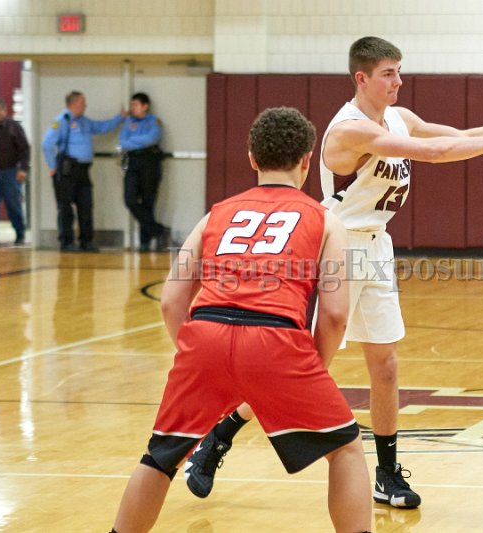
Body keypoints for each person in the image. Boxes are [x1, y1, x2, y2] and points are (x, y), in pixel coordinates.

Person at [186, 36, 483, 509]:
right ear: (361, 78)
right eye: (389, 73)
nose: (398, 81)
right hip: (337, 246)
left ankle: (387, 474)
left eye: (400, 71)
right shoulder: (348, 130)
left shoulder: (400, 117)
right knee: (310, 365)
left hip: (376, 247)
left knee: (385, 365)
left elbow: (458, 134)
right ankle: (218, 436)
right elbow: (435, 153)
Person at [110, 107, 371, 533]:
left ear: (252, 158)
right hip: (276, 340)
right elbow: (336, 314)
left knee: (159, 457)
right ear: (307, 159)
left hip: (206, 335)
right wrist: (314, 368)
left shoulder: (216, 214)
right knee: (345, 448)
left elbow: (171, 301)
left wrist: (199, 358)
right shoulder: (326, 220)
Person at [41, 91, 125, 252]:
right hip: (67, 170)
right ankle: (66, 242)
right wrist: (53, 166)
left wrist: (119, 118)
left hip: (83, 170)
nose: (85, 106)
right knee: (65, 208)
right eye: (82, 102)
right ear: (73, 104)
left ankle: (86, 241)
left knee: (86, 205)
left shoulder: (84, 121)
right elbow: (47, 144)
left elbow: (101, 127)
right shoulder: (62, 121)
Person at [119, 92, 170, 252]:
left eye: (135, 105)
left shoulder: (154, 122)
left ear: (145, 106)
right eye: (132, 105)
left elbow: (152, 139)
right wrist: (138, 142)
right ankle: (159, 230)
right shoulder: (129, 122)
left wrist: (133, 140)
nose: (132, 108)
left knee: (148, 202)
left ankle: (144, 242)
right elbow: (123, 141)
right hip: (133, 162)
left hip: (150, 162)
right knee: (130, 199)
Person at [0, 98, 30, 247]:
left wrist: (23, 169)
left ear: (4, 111)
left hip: (11, 172)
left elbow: (24, 149)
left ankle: (20, 235)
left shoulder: (13, 127)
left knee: (13, 206)